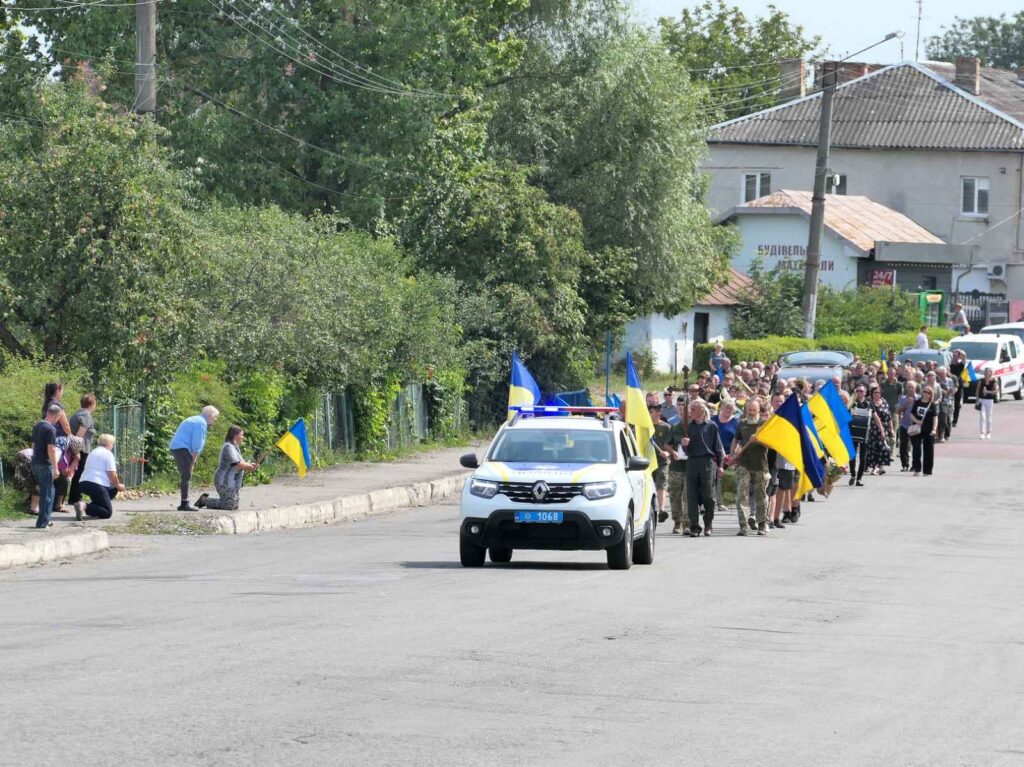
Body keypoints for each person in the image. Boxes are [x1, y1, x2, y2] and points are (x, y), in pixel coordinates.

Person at [682, 401, 724, 537]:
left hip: (707, 463)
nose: (691, 412)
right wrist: (684, 445)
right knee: (692, 496)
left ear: (701, 410)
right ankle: (694, 526)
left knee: (709, 496)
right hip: (692, 462)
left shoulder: (711, 426)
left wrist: (721, 466)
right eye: (690, 409)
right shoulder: (688, 427)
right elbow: (685, 450)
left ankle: (708, 524)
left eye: (693, 409)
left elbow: (718, 448)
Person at [169, 405, 220, 511]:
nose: (216, 419)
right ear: (210, 415)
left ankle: (185, 502)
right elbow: (197, 443)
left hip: (177, 447)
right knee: (187, 475)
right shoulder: (201, 423)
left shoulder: (195, 419)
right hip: (182, 448)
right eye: (215, 417)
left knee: (186, 475)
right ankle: (185, 504)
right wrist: (193, 459)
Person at [197, 426, 259, 511]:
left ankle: (210, 501)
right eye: (241, 435)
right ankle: (204, 500)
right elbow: (236, 464)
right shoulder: (228, 447)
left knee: (235, 506)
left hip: (233, 482)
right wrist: (248, 466)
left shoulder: (235, 447)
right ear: (235, 435)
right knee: (229, 506)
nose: (243, 437)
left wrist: (250, 465)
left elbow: (241, 464)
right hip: (223, 481)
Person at [731, 399, 770, 536]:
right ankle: (743, 525)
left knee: (761, 495)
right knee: (742, 495)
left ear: (759, 410)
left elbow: (770, 445)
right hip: (744, 464)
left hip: (760, 465)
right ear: (746, 410)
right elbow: (736, 439)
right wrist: (732, 454)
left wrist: (758, 441)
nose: (751, 412)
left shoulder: (764, 424)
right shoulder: (741, 423)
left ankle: (762, 524)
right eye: (749, 410)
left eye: (754, 410)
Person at [75, 434, 125, 520]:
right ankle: (84, 506)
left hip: (83, 483)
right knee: (107, 512)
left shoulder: (93, 452)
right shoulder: (108, 453)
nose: (113, 446)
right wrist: (119, 485)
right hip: (96, 484)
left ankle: (92, 508)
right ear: (109, 443)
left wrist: (115, 486)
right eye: (112, 443)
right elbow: (112, 474)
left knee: (113, 488)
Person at [32, 404, 62, 529]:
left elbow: (33, 445)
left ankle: (47, 518)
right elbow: (51, 450)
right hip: (45, 463)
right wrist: (55, 467)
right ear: (57, 415)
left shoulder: (37, 426)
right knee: (47, 493)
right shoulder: (50, 429)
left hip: (35, 462)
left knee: (50, 490)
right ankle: (42, 522)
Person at [67, 393, 97, 507]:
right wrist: (77, 452)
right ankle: (75, 498)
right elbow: (80, 435)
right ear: (92, 404)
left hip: (74, 447)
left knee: (76, 473)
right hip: (81, 449)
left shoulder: (77, 413)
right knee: (80, 473)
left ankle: (73, 497)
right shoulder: (87, 415)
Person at [665, 398, 689, 534]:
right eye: (682, 413)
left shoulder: (694, 428)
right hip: (676, 468)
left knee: (689, 497)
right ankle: (677, 521)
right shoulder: (674, 428)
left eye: (687, 414)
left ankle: (687, 522)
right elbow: (666, 444)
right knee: (675, 495)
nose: (685, 416)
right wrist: (672, 451)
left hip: (690, 468)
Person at [647, 406, 671, 522]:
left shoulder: (666, 427)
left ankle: (661, 510)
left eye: (657, 411)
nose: (655, 413)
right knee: (648, 485)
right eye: (652, 411)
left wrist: (669, 451)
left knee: (661, 483)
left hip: (662, 462)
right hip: (648, 461)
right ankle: (649, 509)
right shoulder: (644, 427)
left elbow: (670, 442)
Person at [909, 386, 938, 476]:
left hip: (928, 429)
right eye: (924, 391)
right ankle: (917, 469)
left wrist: (934, 429)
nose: (925, 393)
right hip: (917, 429)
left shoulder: (932, 405)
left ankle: (927, 471)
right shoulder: (917, 402)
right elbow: (911, 414)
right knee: (916, 449)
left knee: (928, 450)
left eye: (928, 392)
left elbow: (935, 418)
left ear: (930, 395)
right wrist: (917, 421)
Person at [865, 385, 892, 475]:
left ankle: (881, 466)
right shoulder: (869, 403)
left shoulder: (884, 402)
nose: (877, 394)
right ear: (872, 394)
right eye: (875, 393)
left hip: (883, 428)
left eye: (878, 393)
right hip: (872, 429)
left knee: (882, 447)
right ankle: (874, 467)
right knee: (873, 448)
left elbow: (889, 417)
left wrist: (891, 428)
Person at [53, 436, 85, 514]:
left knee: (66, 480)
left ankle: (59, 503)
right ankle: (59, 505)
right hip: (53, 472)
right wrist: (76, 460)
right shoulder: (66, 452)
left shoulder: (71, 453)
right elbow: (65, 472)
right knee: (64, 481)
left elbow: (70, 473)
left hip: (56, 473)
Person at [847, 385, 871, 486]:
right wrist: (852, 398)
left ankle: (859, 478)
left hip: (864, 433)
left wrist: (882, 429)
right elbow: (846, 411)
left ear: (865, 393)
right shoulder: (852, 403)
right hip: (853, 433)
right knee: (852, 455)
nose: (859, 393)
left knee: (863, 456)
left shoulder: (868, 404)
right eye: (858, 391)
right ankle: (853, 474)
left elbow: (875, 416)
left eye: (861, 391)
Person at [895, 381, 918, 471]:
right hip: (904, 425)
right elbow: (898, 411)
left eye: (912, 387)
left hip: (915, 426)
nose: (910, 389)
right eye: (909, 387)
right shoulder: (903, 398)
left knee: (915, 446)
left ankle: (915, 465)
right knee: (903, 446)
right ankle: (905, 465)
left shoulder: (919, 398)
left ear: (915, 388)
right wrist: (906, 404)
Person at [976, 368, 998, 439]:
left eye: (988, 372)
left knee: (989, 417)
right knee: (982, 417)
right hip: (982, 400)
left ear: (991, 373)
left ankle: (988, 433)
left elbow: (995, 391)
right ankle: (982, 433)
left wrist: (987, 392)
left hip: (990, 400)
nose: (987, 373)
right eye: (985, 372)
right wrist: (977, 399)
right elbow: (978, 389)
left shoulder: (993, 381)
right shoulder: (981, 380)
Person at [949, 349, 966, 427]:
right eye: (954, 356)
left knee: (957, 404)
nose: (955, 357)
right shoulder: (949, 365)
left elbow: (964, 356)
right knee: (949, 402)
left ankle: (955, 421)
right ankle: (949, 418)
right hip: (950, 385)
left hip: (959, 385)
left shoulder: (960, 365)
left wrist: (959, 350)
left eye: (956, 356)